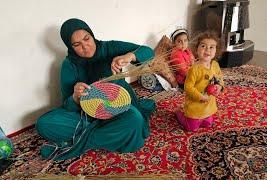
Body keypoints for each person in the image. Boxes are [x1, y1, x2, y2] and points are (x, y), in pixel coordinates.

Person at [35, 18, 156, 160]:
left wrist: (129, 56)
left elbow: (148, 52)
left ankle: (82, 142)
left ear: (92, 34)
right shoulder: (69, 65)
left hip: (118, 111)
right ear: (70, 46)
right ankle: (106, 135)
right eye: (77, 44)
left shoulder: (109, 48)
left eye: (87, 39)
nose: (85, 46)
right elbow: (67, 105)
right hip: (87, 116)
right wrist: (75, 97)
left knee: (134, 119)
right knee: (44, 123)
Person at [176, 31, 224, 132]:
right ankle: (179, 113)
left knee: (208, 124)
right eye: (203, 46)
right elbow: (188, 87)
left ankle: (204, 116)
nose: (207, 50)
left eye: (211, 47)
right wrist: (200, 96)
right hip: (195, 106)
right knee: (191, 128)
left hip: (208, 105)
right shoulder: (194, 69)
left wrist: (219, 86)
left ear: (216, 51)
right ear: (197, 49)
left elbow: (219, 78)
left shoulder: (215, 64)